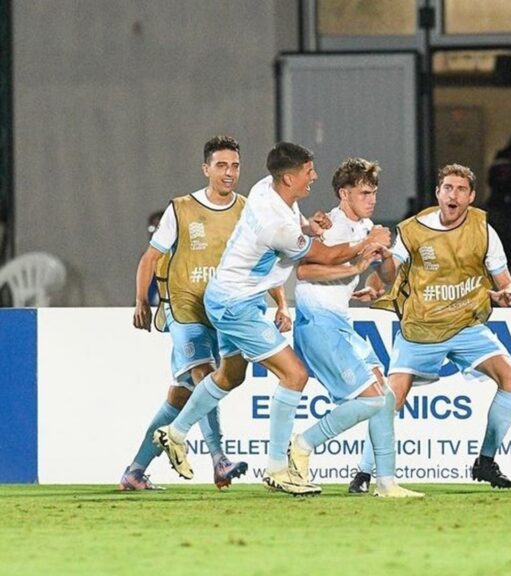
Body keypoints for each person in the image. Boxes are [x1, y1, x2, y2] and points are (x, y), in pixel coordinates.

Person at [152, 142, 391, 496]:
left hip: (229, 296)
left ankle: (176, 432)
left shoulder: (265, 189)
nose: (314, 177)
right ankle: (278, 467)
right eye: (309, 171)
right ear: (290, 177)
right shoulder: (276, 226)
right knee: (294, 374)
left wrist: (311, 226)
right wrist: (363, 246)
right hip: (236, 304)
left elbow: (301, 230)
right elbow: (321, 256)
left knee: (229, 376)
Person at [353, 163, 511, 495]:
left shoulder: (484, 229)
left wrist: (507, 295)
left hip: (466, 323)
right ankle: (363, 472)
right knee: (391, 399)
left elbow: (506, 284)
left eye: (460, 189)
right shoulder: (415, 230)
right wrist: (375, 283)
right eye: (447, 188)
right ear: (438, 193)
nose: (453, 195)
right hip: (421, 326)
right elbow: (391, 270)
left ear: (471, 197)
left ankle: (485, 460)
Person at [121, 136, 278, 491]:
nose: (229, 172)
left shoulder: (246, 210)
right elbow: (150, 258)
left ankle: (134, 472)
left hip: (223, 312)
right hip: (185, 308)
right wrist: (141, 301)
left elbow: (262, 261)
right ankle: (219, 460)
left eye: (235, 166)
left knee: (181, 396)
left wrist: (280, 302)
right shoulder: (181, 209)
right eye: (221, 165)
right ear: (206, 168)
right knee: (206, 375)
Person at [285, 158, 417, 497]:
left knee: (385, 398)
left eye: (373, 192)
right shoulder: (331, 225)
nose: (371, 199)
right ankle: (302, 444)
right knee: (372, 400)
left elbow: (388, 279)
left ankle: (386, 482)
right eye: (364, 192)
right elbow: (304, 271)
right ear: (344, 194)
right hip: (317, 323)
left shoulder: (366, 226)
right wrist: (357, 262)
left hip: (340, 323)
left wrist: (384, 253)